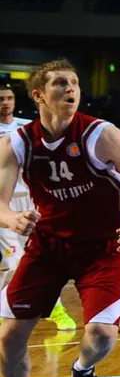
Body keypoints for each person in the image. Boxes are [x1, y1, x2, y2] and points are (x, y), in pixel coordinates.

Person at [0, 61, 120, 377]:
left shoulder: (102, 134)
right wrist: (11, 220)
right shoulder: (18, 144)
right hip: (48, 247)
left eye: (74, 83)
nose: (70, 89)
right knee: (8, 336)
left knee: (101, 335)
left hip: (105, 247)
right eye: (59, 84)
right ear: (38, 95)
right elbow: (0, 204)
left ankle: (82, 369)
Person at [0, 84, 76, 332]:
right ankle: (10, 310)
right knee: (14, 262)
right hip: (5, 205)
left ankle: (55, 309)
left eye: (9, 98)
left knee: (46, 259)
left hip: (34, 200)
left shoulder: (27, 127)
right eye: (1, 99)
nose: (6, 103)